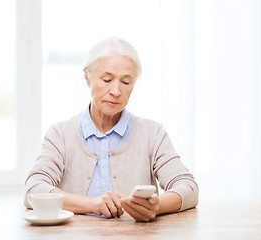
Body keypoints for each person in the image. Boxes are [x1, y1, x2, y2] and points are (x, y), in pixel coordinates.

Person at [24, 37, 198, 222]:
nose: (116, 91)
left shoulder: (152, 133)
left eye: (125, 82)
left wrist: (157, 206)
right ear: (87, 77)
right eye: (107, 79)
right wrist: (92, 204)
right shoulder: (60, 135)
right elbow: (34, 189)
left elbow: (188, 187)